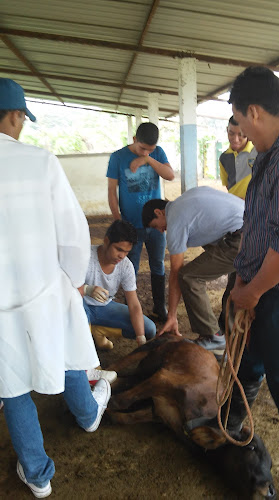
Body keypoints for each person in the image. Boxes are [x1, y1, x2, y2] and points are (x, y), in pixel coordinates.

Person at [0, 78, 112, 498]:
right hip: (43, 287)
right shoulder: (40, 161)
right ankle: (87, 416)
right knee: (62, 349)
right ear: (15, 116)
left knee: (11, 387)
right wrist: (73, 281)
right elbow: (72, 231)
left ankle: (38, 475)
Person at [221, 66, 279, 428]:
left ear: (254, 112)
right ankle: (229, 429)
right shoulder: (265, 155)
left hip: (272, 293)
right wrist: (243, 281)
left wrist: (253, 291)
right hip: (257, 287)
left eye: (241, 121)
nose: (240, 131)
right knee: (247, 364)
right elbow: (257, 222)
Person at [142, 186, 244, 354]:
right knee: (233, 285)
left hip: (240, 238)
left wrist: (172, 315)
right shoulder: (185, 202)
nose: (161, 231)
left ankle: (213, 336)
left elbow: (176, 273)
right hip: (252, 229)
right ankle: (230, 338)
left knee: (189, 276)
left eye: (156, 226)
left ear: (159, 212)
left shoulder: (175, 219)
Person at [107, 122, 174, 322]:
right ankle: (131, 312)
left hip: (155, 223)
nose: (145, 152)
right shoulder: (118, 157)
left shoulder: (157, 153)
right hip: (131, 224)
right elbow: (112, 191)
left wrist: (147, 160)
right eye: (142, 148)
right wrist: (119, 221)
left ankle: (159, 309)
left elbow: (169, 175)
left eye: (150, 150)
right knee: (130, 268)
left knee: (158, 265)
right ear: (134, 140)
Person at [83, 220, 156, 355]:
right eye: (119, 249)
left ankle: (99, 330)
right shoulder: (85, 256)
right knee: (79, 318)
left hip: (104, 307)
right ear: (106, 241)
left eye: (126, 252)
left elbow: (134, 304)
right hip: (80, 305)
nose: (122, 256)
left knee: (149, 329)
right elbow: (64, 288)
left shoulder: (126, 266)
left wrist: (140, 338)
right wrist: (87, 289)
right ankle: (88, 361)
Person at [220, 115, 257, 199]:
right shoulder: (224, 158)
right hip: (233, 205)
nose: (236, 139)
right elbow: (227, 184)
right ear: (227, 130)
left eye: (241, 134)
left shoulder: (259, 152)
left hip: (254, 206)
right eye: (231, 133)